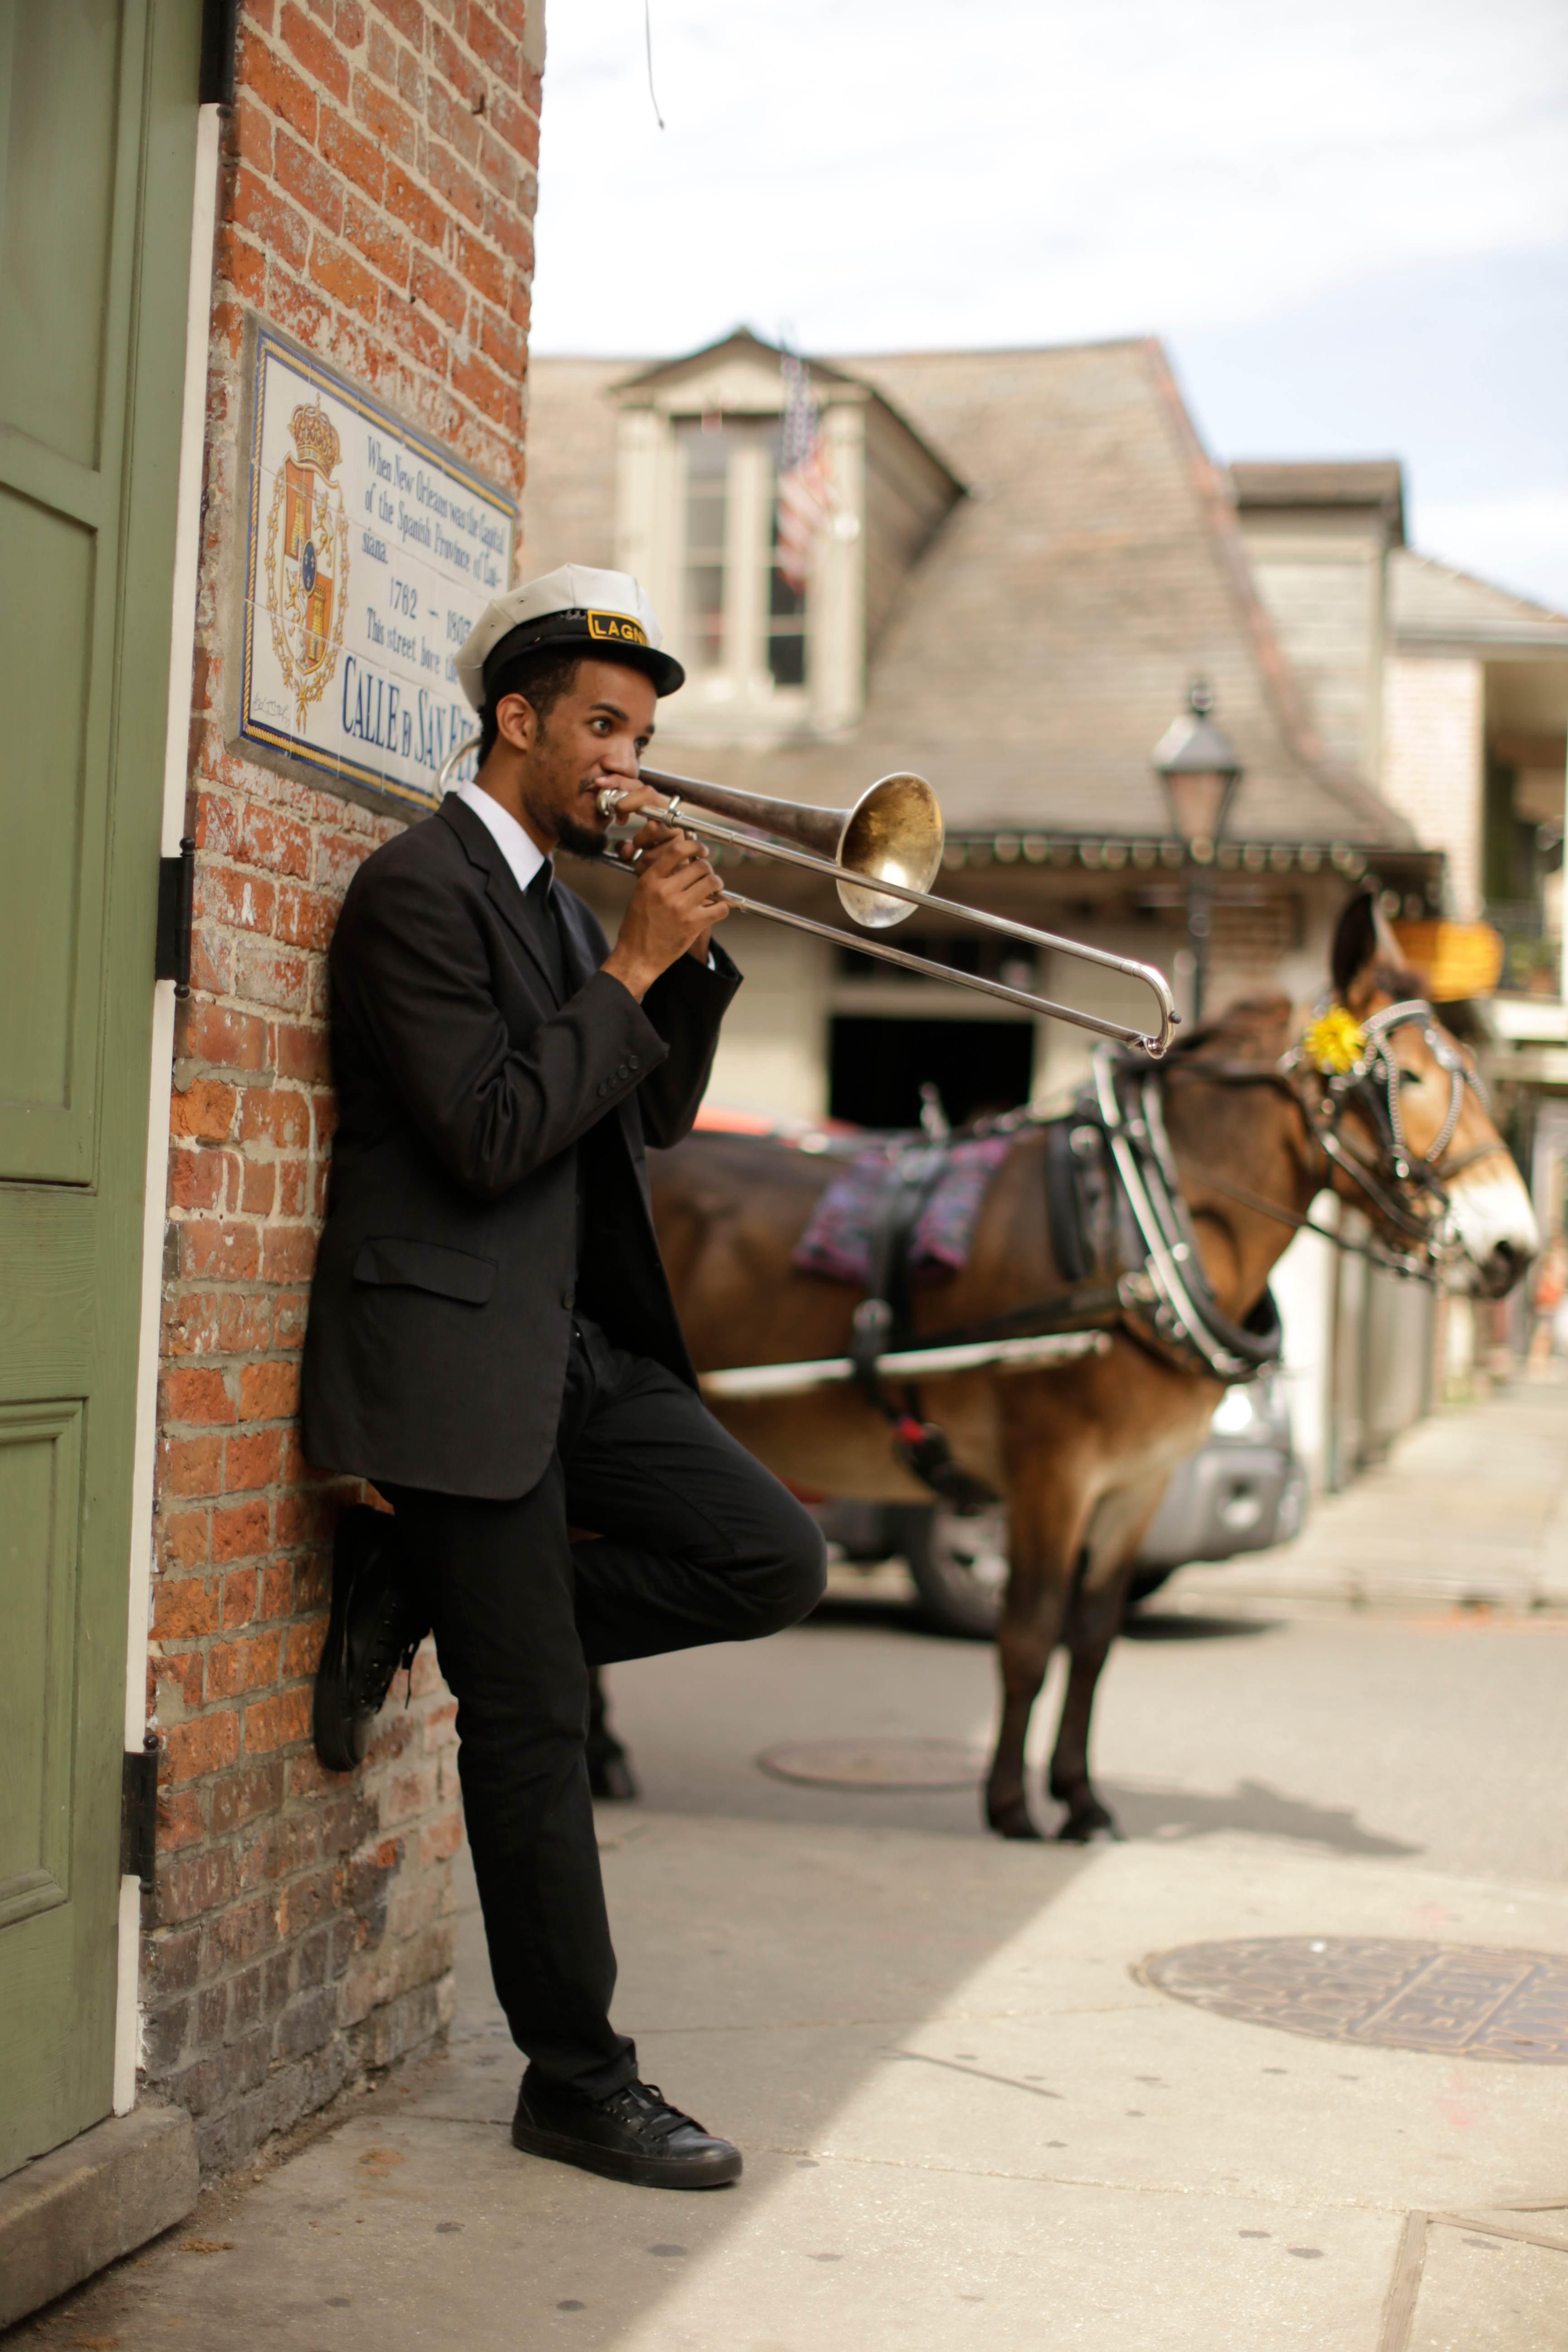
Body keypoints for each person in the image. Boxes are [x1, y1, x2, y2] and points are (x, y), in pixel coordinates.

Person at [300, 565, 826, 2190]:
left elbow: (646, 1120)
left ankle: (440, 1591)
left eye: (645, 735)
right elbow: (490, 1133)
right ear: (515, 722)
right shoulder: (417, 891)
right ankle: (576, 2082)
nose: (630, 763)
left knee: (772, 1555)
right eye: (603, 728)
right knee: (530, 1731)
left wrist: (688, 959)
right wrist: (631, 967)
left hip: (571, 1345)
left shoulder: (548, 904)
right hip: (460, 1353)